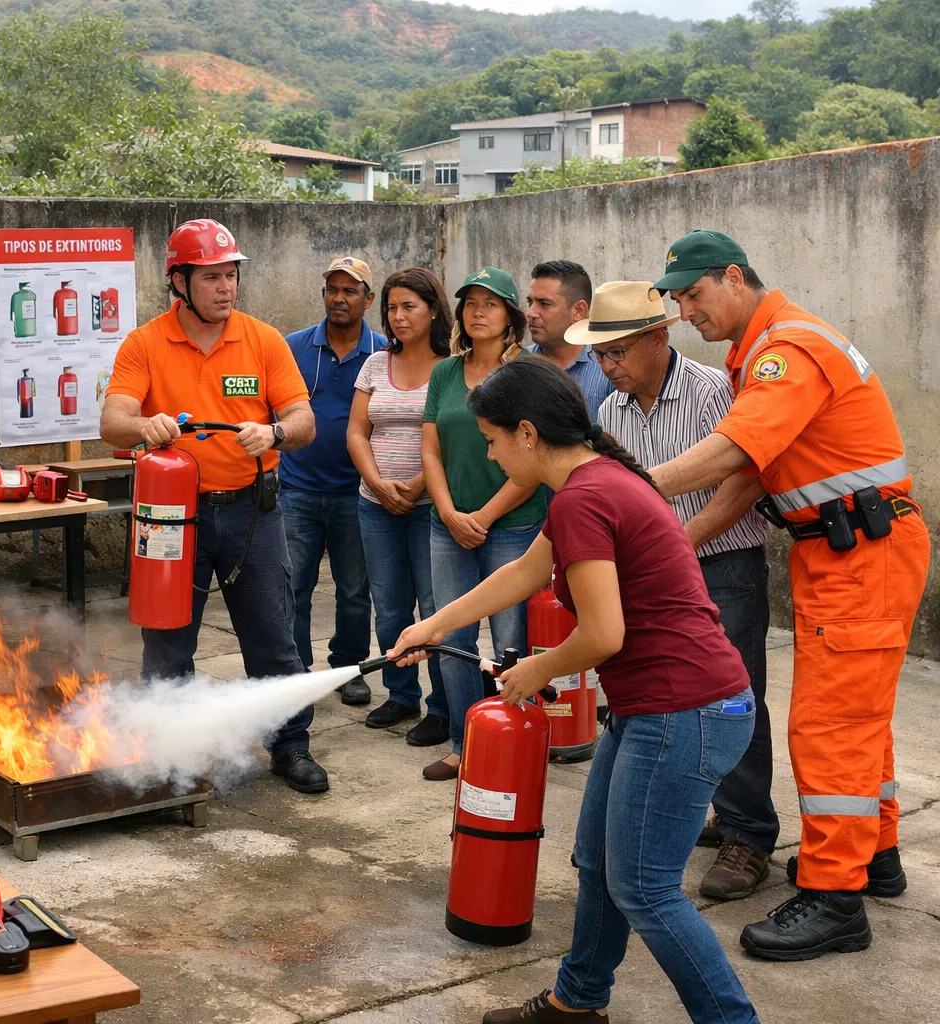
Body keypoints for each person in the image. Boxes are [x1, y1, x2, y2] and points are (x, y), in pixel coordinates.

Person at [390, 357, 760, 1024]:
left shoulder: (587, 497)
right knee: (597, 860)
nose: (491, 453)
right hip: (665, 707)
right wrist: (433, 624)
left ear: (528, 433)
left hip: (687, 710)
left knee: (646, 890)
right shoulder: (591, 485)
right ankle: (576, 1002)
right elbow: (527, 574)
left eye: (493, 440)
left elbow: (603, 634)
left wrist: (539, 669)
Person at [649, 230, 928, 961]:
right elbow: (754, 474)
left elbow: (738, 451)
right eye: (677, 298)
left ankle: (835, 900)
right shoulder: (763, 353)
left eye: (694, 293)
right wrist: (682, 538)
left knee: (829, 725)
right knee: (859, 716)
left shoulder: (787, 350)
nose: (685, 311)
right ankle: (874, 857)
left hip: (861, 553)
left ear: (734, 277)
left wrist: (635, 488)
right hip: (845, 551)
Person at [100, 219, 325, 793]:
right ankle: (170, 755)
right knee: (168, 639)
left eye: (231, 275)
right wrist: (142, 425)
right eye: (212, 277)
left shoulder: (262, 340)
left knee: (273, 637)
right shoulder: (145, 343)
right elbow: (112, 423)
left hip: (253, 512)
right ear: (179, 281)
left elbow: (304, 422)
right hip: (173, 519)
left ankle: (290, 746)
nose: (226, 287)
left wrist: (273, 433)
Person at [577, 280, 777, 902]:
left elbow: (746, 478)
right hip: (654, 579)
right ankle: (717, 808)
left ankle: (750, 833)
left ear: (659, 338)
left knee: (732, 696)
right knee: (664, 694)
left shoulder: (716, 390)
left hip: (723, 564)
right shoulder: (609, 412)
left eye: (619, 352)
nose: (608, 367)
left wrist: (679, 542)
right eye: (600, 356)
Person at [419, 267, 546, 781]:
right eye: (470, 303)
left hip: (513, 524)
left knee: (510, 639)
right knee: (452, 636)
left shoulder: (528, 373)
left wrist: (485, 515)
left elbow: (538, 457)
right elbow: (430, 448)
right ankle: (464, 742)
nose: (477, 312)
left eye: (490, 304)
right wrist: (449, 512)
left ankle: (516, 738)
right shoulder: (445, 373)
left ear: (510, 315)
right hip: (446, 524)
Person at [345, 267, 452, 745]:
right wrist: (378, 483)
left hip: (432, 507)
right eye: (392, 307)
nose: (399, 316)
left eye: (410, 306)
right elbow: (356, 432)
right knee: (389, 610)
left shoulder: (452, 365)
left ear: (433, 310)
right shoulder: (374, 364)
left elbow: (454, 438)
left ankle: (442, 706)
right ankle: (401, 694)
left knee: (435, 609)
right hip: (376, 505)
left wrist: (414, 483)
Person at [280, 256, 385, 708]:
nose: (338, 298)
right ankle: (297, 670)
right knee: (293, 585)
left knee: (354, 590)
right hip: (297, 489)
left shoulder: (384, 353)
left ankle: (349, 667)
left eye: (349, 290)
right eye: (331, 289)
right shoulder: (293, 347)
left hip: (356, 492)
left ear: (368, 298)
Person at [526, 260, 612, 417]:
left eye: (544, 304)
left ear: (578, 311)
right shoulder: (518, 364)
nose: (531, 313)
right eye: (530, 302)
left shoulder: (609, 369)